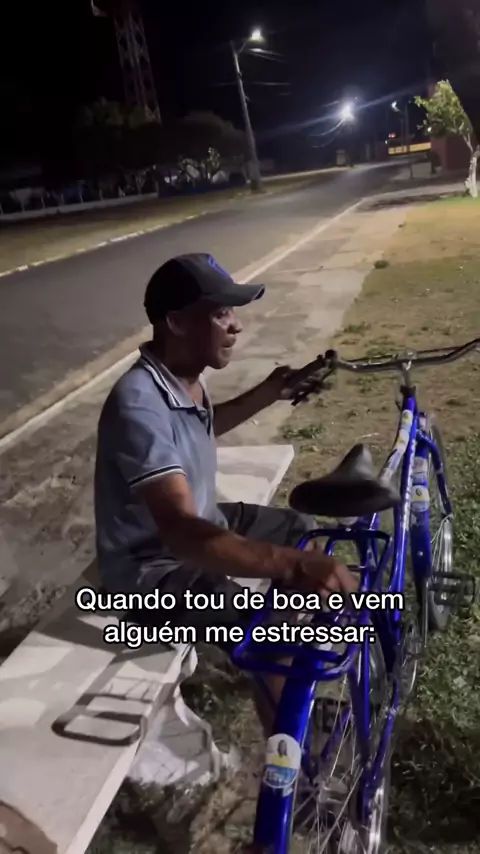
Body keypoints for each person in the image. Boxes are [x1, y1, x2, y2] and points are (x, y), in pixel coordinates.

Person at [94, 252, 356, 733]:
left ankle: (280, 665)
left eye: (232, 311)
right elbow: (180, 533)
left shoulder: (181, 378)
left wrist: (271, 392)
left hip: (201, 521)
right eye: (220, 314)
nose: (236, 325)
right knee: (264, 621)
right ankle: (287, 744)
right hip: (151, 571)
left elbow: (202, 430)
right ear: (176, 322)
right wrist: (292, 566)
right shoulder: (139, 405)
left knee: (298, 529)